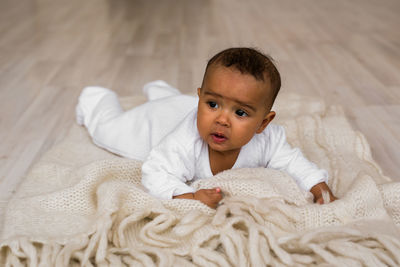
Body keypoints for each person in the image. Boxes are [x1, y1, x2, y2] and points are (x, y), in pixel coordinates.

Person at [76, 47, 337, 209]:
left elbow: (294, 162)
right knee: (107, 130)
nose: (222, 120)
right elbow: (155, 172)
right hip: (156, 122)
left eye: (241, 112)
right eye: (212, 103)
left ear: (263, 123)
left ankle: (160, 91)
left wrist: (317, 186)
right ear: (200, 97)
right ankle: (97, 98)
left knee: (178, 103)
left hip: (182, 107)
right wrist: (189, 197)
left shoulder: (269, 140)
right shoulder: (183, 142)